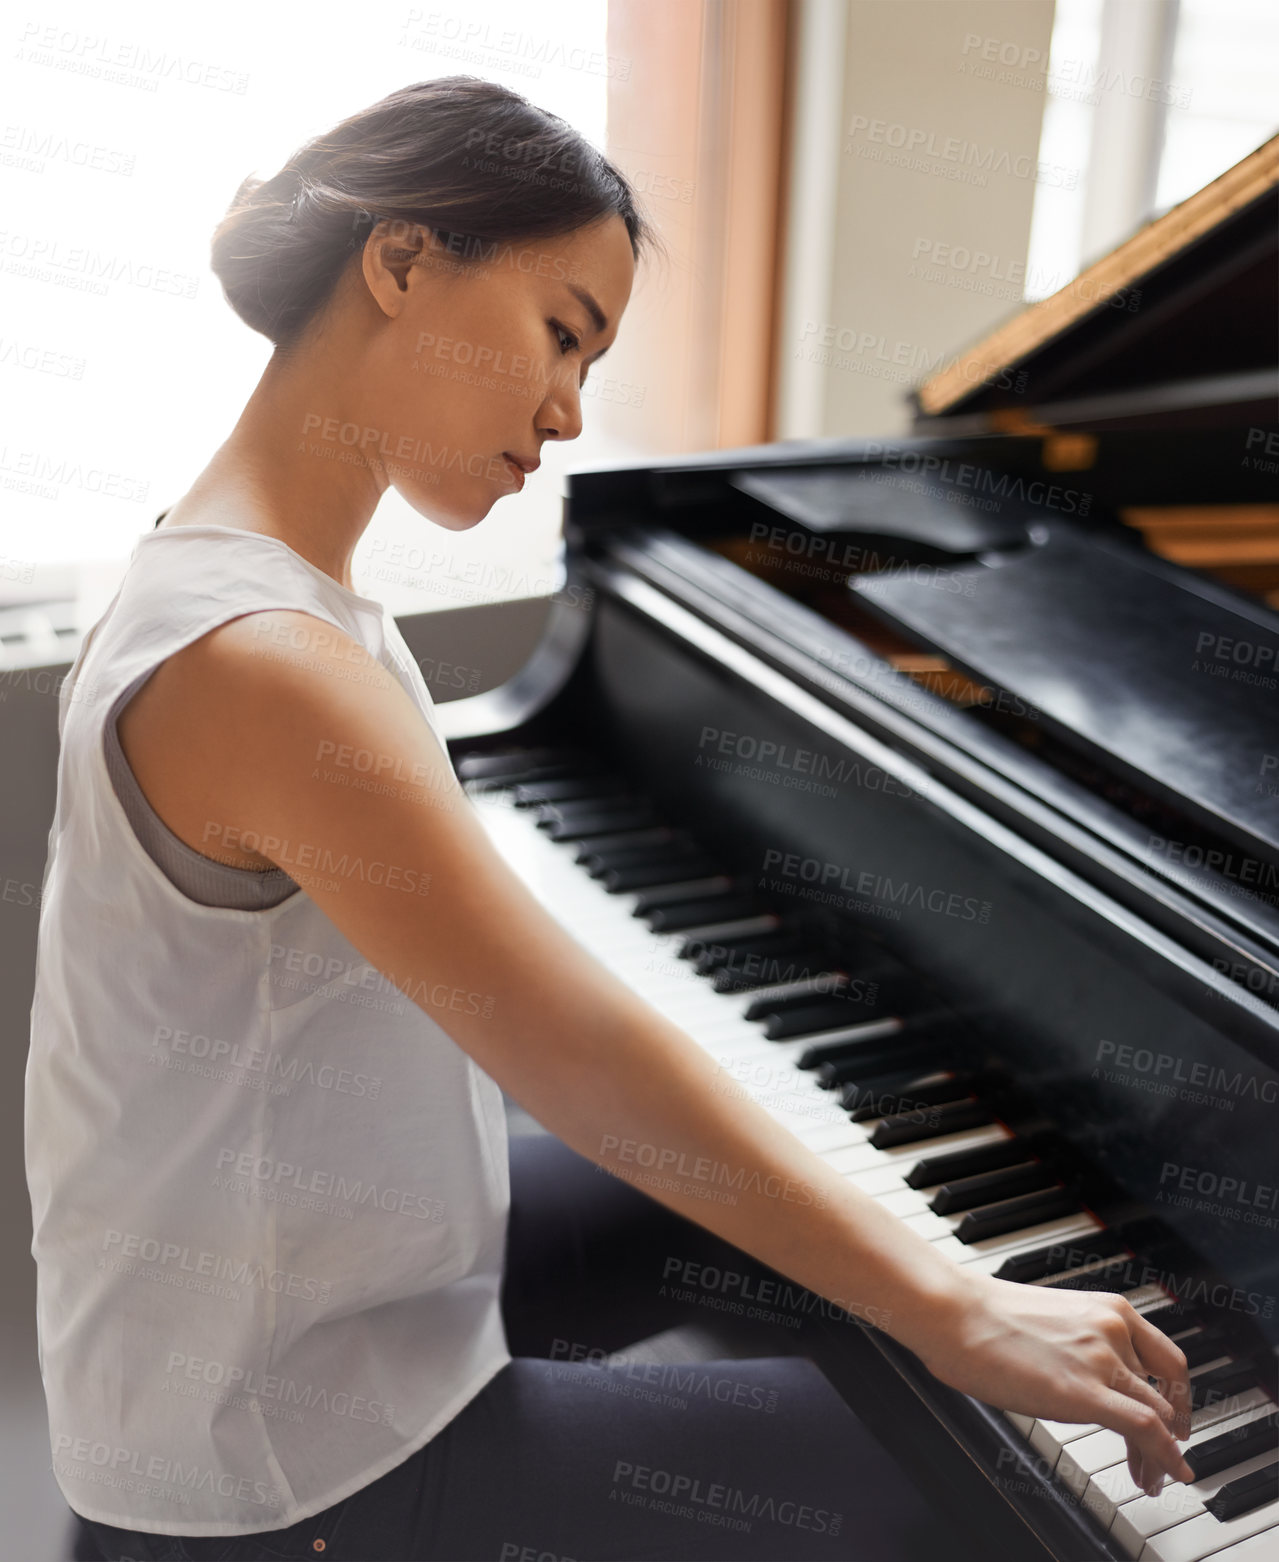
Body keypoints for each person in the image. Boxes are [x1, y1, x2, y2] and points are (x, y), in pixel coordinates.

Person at [26, 76, 1194, 1562]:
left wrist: (910, 1261)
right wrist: (957, 1300)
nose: (570, 411)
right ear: (400, 264)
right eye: (562, 330)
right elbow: (569, 1048)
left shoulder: (227, 569)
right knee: (975, 1481)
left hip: (275, 1299)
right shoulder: (269, 665)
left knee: (775, 1207)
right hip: (279, 1467)